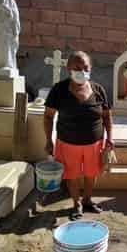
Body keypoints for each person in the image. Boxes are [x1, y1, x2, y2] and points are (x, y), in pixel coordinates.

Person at [44, 51, 114, 220]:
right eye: (77, 68)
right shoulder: (59, 90)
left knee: (91, 173)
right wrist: (48, 140)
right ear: (68, 68)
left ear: (90, 69)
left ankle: (88, 200)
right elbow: (48, 116)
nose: (82, 71)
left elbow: (107, 115)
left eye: (85, 68)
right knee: (72, 175)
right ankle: (76, 204)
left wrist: (110, 137)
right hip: (67, 143)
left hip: (95, 143)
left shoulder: (98, 90)